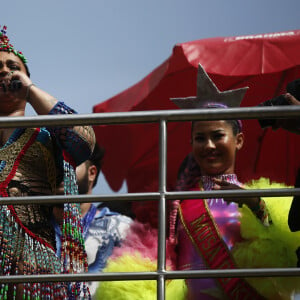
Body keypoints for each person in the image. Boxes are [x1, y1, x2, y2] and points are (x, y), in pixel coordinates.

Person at [97, 64, 300, 300]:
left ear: (239, 140)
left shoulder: (261, 200)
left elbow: (284, 253)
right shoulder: (174, 203)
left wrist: (255, 205)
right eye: (200, 138)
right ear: (191, 144)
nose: (209, 146)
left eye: (218, 136)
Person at [0, 25, 95, 299]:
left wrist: (29, 90)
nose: (5, 71)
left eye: (12, 67)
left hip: (31, 271)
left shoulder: (45, 135)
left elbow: (84, 141)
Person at [54, 143, 132, 298]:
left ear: (92, 173)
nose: (60, 170)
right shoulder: (26, 230)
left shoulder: (122, 229)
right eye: (52, 163)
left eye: (70, 163)